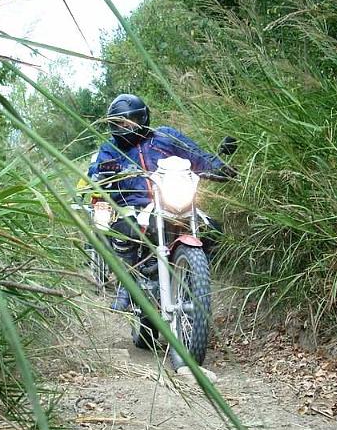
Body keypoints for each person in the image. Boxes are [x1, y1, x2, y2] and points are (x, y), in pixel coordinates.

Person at [87, 93, 238, 311]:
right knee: (124, 231)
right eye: (118, 123)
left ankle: (197, 280)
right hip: (135, 204)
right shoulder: (111, 148)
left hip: (173, 200)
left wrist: (219, 167)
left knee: (213, 230)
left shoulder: (165, 136)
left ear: (143, 118)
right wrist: (103, 171)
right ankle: (127, 285)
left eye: (130, 121)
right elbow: (96, 170)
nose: (125, 127)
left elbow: (196, 155)